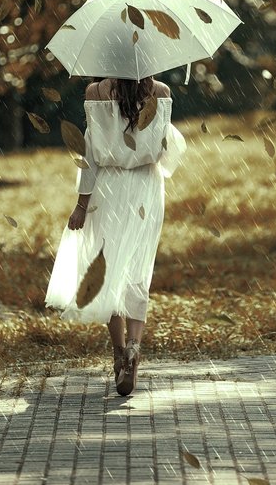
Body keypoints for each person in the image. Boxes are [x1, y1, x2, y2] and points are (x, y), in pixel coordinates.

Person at [44, 75, 187, 395]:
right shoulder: (161, 92)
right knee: (138, 270)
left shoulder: (95, 93)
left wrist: (81, 205)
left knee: (108, 268)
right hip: (147, 189)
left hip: (108, 189)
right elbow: (166, 149)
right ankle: (135, 347)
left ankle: (119, 351)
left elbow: (90, 156)